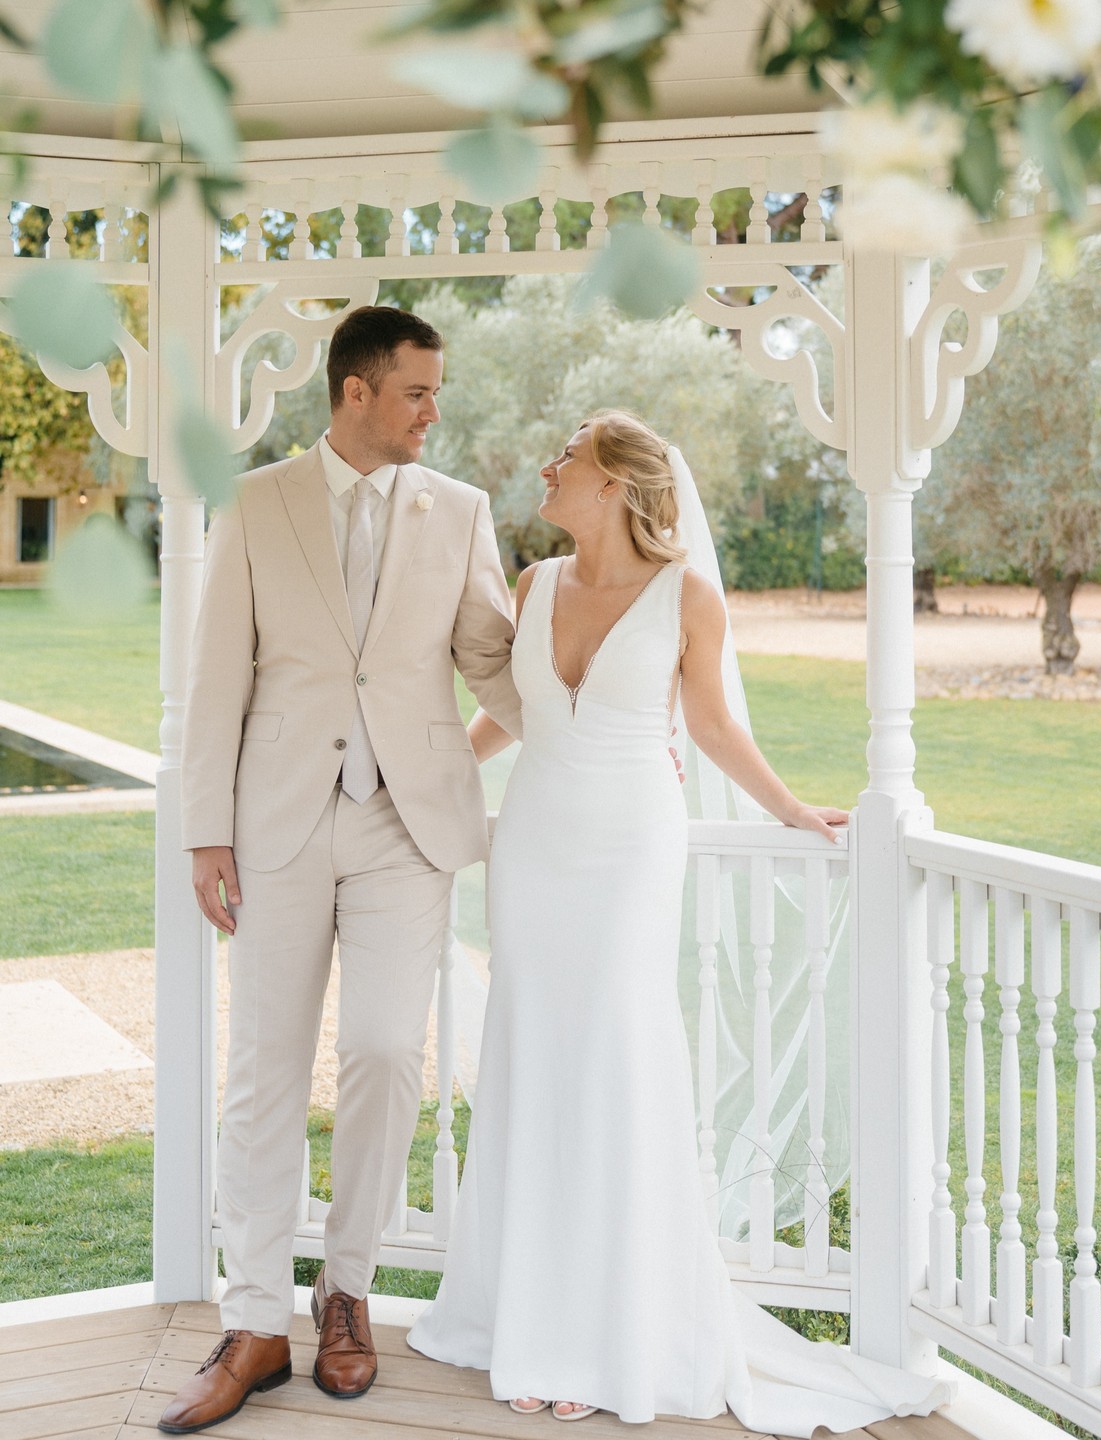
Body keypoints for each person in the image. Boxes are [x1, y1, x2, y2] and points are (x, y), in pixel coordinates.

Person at [407, 410, 954, 1434]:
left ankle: (604, 1329)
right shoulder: (532, 585)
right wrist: (425, 787)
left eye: (565, 455)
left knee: (615, 1056)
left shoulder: (687, 597)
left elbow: (710, 723)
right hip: (533, 847)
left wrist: (791, 809)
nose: (546, 464)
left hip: (627, 850)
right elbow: (512, 718)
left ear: (615, 482)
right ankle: (524, 1311)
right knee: (531, 1055)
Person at [164, 306, 522, 1434]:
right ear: (356, 392)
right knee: (262, 1069)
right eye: (418, 391)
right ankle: (257, 1317)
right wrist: (205, 830)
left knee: (381, 1053)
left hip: (403, 828)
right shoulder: (260, 502)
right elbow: (218, 673)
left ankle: (347, 1291)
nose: (433, 411)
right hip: (274, 824)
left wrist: (597, 730)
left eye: (436, 393)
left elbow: (495, 666)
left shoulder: (460, 512)